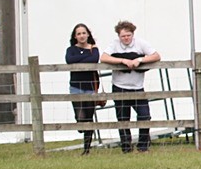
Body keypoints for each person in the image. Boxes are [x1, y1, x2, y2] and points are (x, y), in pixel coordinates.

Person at [99, 20, 161, 153]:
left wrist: (140, 60)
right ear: (118, 36)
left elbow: (156, 55)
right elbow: (103, 57)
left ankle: (143, 146)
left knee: (145, 116)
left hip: (137, 87)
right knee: (123, 119)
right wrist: (122, 60)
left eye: (128, 35)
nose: (126, 38)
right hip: (119, 86)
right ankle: (126, 147)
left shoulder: (141, 43)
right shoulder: (114, 44)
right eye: (123, 36)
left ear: (133, 34)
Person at [65, 23, 101, 155]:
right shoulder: (71, 49)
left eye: (84, 33)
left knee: (89, 118)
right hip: (76, 87)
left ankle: (86, 149)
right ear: (75, 36)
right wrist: (86, 58)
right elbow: (70, 60)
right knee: (80, 117)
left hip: (90, 87)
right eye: (79, 33)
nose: (81, 36)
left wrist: (80, 60)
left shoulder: (94, 48)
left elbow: (94, 59)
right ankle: (80, 127)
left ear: (88, 34)